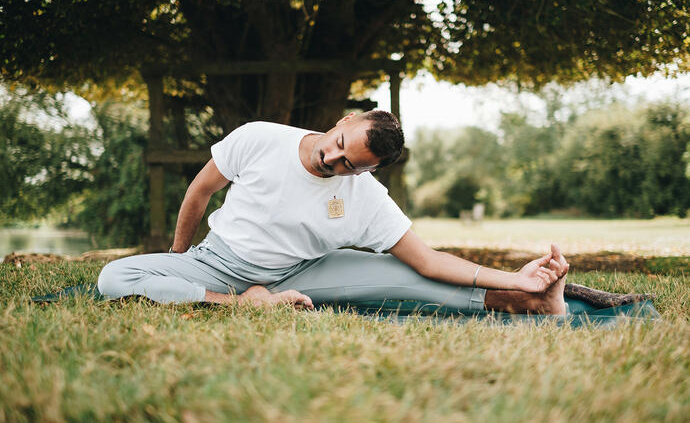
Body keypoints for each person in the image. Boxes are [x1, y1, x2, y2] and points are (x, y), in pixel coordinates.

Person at [98, 110, 569, 314]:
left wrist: (515, 279)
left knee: (404, 278)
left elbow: (428, 262)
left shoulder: (364, 193)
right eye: (339, 146)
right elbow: (198, 193)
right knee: (113, 279)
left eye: (350, 165)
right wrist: (181, 257)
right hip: (214, 265)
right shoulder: (259, 137)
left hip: (300, 274)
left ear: (369, 170)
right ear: (344, 121)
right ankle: (244, 304)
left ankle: (525, 303)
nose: (332, 161)